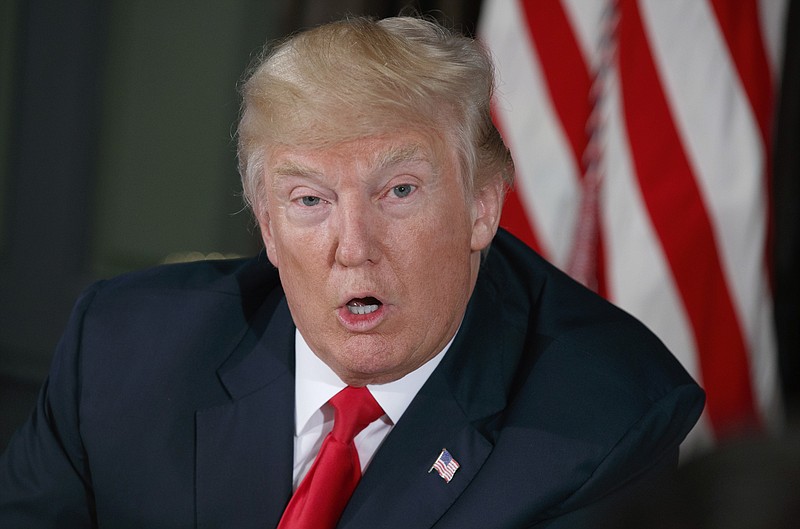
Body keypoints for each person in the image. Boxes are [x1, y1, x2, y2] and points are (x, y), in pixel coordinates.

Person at [0, 15, 704, 529]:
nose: (354, 246)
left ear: (483, 205)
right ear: (268, 226)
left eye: (398, 191)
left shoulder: (609, 424)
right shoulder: (122, 351)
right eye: (310, 200)